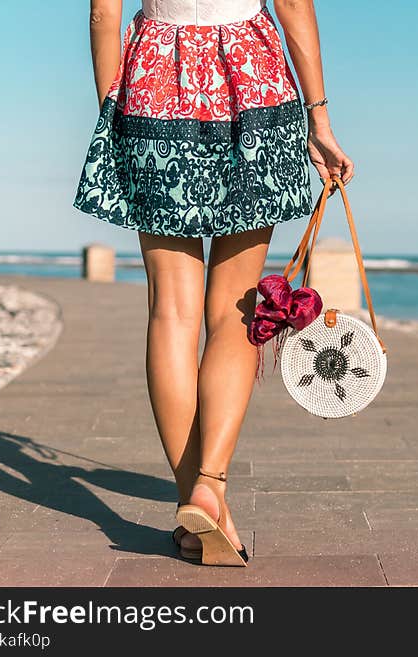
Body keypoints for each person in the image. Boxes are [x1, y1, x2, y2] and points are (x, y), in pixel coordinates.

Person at [73, 0, 353, 566]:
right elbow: (293, 4)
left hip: (151, 76)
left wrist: (112, 109)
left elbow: (104, 13)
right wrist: (318, 119)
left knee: (171, 313)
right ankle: (211, 483)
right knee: (235, 311)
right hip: (252, 78)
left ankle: (194, 507)